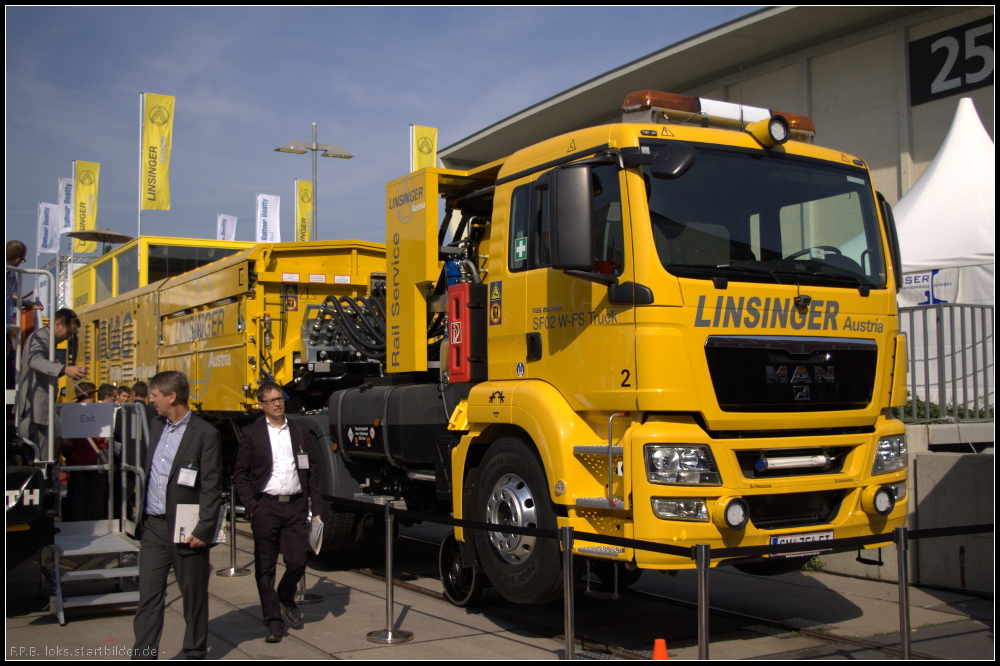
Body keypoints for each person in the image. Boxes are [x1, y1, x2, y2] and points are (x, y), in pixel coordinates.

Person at [132, 371, 222, 660]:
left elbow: (211, 485)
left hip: (186, 529)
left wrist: (205, 528)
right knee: (148, 597)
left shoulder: (205, 433)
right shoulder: (157, 424)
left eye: (155, 395)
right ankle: (143, 655)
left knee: (193, 597)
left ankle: (194, 651)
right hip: (154, 528)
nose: (151, 400)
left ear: (172, 397)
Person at [234, 381, 322, 644]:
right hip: (266, 507)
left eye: (280, 399)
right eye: (271, 400)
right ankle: (273, 621)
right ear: (261, 405)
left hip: (295, 506)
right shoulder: (251, 433)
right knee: (266, 567)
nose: (277, 403)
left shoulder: (300, 430)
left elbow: (312, 471)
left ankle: (286, 594)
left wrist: (316, 509)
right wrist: (252, 507)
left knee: (297, 562)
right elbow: (240, 474)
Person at [16, 308, 88, 455]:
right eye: (69, 333)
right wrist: (64, 369)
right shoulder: (41, 337)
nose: (68, 338)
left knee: (51, 448)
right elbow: (34, 360)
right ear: (58, 324)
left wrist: (59, 370)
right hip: (34, 412)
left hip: (39, 411)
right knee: (39, 458)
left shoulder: (46, 339)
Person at [61, 381, 109, 521]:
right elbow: (106, 437)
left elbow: (66, 441)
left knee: (79, 497)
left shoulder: (70, 411)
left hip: (78, 460)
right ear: (91, 395)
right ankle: (97, 524)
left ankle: (78, 525)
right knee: (97, 498)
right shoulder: (100, 411)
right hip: (97, 459)